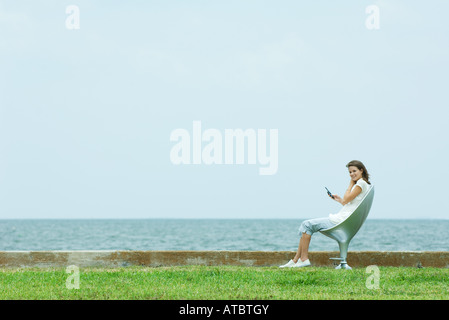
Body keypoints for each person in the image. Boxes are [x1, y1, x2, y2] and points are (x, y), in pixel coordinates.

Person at [280, 160, 372, 268]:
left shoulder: (360, 183)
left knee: (306, 225)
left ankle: (303, 259)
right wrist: (339, 200)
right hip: (344, 220)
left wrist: (350, 184)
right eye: (350, 172)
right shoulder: (364, 184)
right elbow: (348, 203)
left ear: (361, 170)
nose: (352, 174)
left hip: (340, 221)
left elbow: (347, 199)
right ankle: (296, 260)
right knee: (307, 226)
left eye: (354, 171)